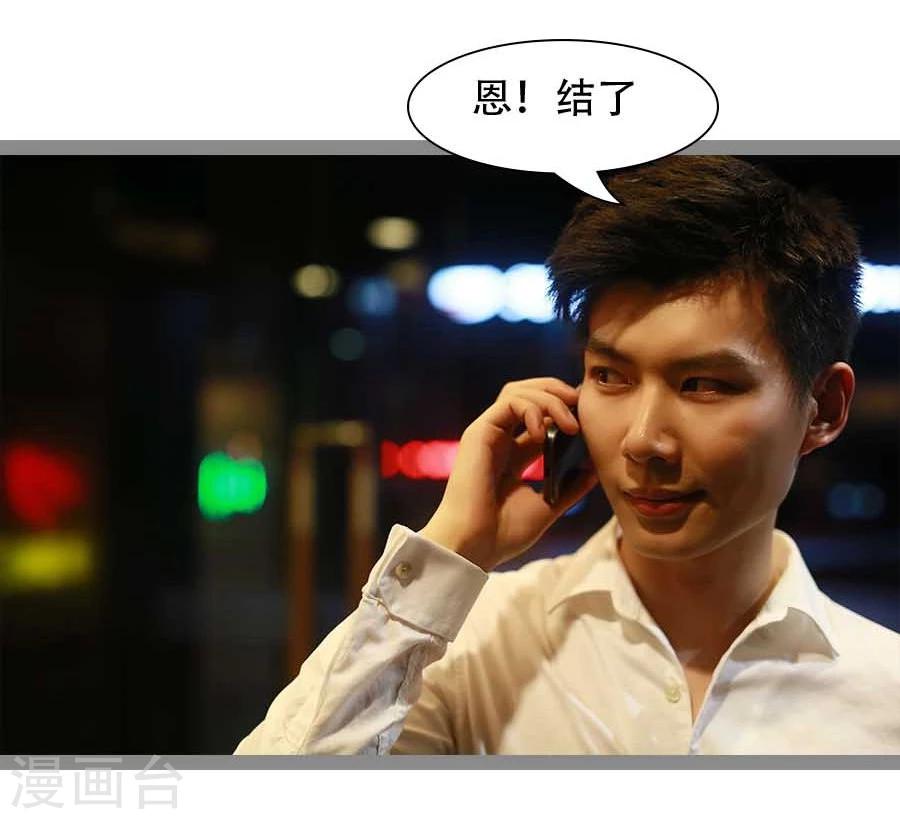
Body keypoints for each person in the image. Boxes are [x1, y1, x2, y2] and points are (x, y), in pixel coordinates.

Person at [234, 156, 900, 755]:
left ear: (823, 407)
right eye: (610, 376)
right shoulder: (469, 640)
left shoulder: (883, 694)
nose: (643, 439)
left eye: (704, 384)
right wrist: (456, 544)